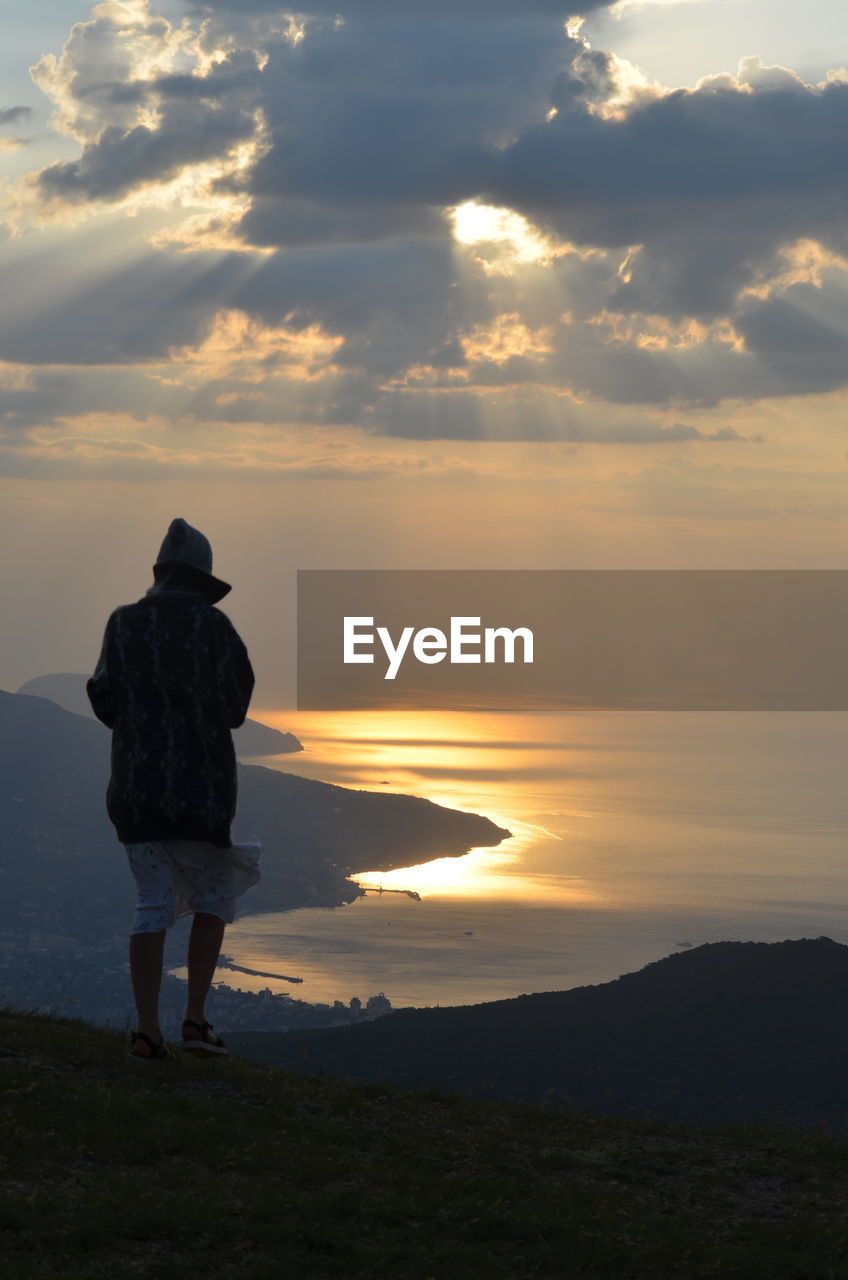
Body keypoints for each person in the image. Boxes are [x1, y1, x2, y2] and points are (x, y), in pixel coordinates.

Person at [87, 518, 261, 1062]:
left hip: (135, 790)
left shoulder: (121, 624)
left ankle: (146, 1032)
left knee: (151, 904)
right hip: (202, 790)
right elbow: (236, 707)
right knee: (213, 899)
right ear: (202, 576)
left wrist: (143, 726)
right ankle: (195, 1020)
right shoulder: (214, 627)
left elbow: (103, 698)